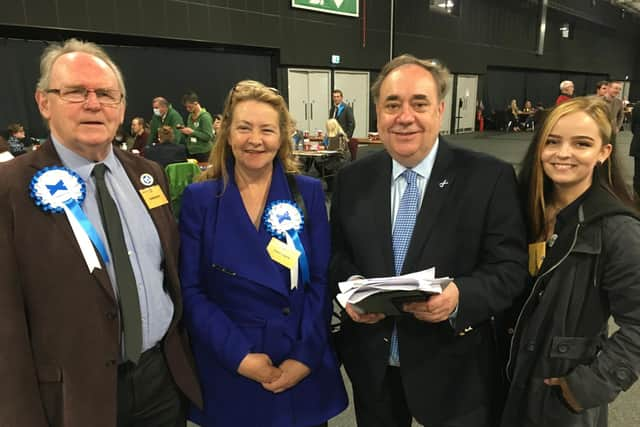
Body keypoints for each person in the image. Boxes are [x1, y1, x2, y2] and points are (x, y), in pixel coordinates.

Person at [0, 38, 202, 426]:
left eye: (107, 94)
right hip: (72, 397)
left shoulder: (148, 175)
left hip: (160, 382)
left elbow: (168, 272)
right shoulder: (9, 189)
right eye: (76, 92)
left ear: (122, 107)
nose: (93, 104)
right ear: (44, 102)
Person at [329, 54, 528, 427]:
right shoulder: (352, 180)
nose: (405, 116)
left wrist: (460, 297)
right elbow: (338, 255)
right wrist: (352, 289)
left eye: (419, 103)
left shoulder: (488, 178)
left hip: (455, 371)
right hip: (374, 368)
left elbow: (510, 268)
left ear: (439, 109)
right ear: (378, 112)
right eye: (392, 104)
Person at [179, 80, 348, 427]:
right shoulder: (200, 199)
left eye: (267, 130)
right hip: (231, 364)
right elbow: (191, 290)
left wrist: (304, 356)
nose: (255, 140)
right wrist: (239, 357)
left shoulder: (309, 194)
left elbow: (320, 281)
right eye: (244, 128)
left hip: (299, 362)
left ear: (282, 137)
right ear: (227, 133)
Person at [502, 97, 640, 427]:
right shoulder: (518, 211)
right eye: (552, 141)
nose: (563, 153)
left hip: (556, 400)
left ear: (603, 153)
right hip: (503, 383)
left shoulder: (619, 231)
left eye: (581, 143)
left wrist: (589, 385)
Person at [180, 91, 214, 162]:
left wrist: (192, 132)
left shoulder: (205, 117)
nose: (187, 109)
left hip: (204, 153)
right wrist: (185, 131)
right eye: (186, 107)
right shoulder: (190, 116)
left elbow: (208, 136)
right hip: (191, 152)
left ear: (195, 103)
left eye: (189, 107)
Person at [629, 100, 640, 196]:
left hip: (638, 143)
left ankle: (635, 197)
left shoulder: (637, 106)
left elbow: (633, 126)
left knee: (637, 173)